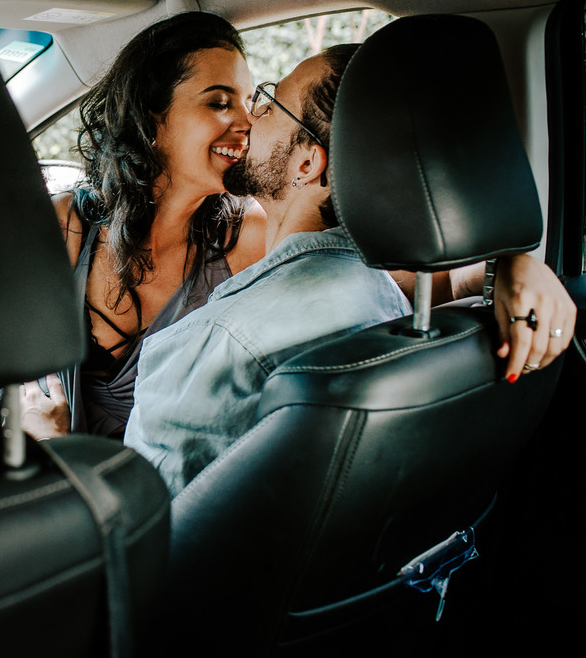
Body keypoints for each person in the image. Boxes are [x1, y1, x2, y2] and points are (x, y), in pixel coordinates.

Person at [0, 14, 572, 454]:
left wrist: (516, 262)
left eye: (253, 100)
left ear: (306, 159)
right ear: (152, 119)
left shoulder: (253, 237)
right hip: (32, 453)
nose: (242, 121)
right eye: (218, 101)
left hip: (121, 496)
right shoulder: (63, 229)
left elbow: (429, 262)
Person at [123, 44, 577, 496]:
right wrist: (508, 263)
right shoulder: (393, 298)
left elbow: (132, 536)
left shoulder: (216, 342)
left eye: (268, 101)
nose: (247, 119)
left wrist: (54, 436)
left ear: (306, 163)